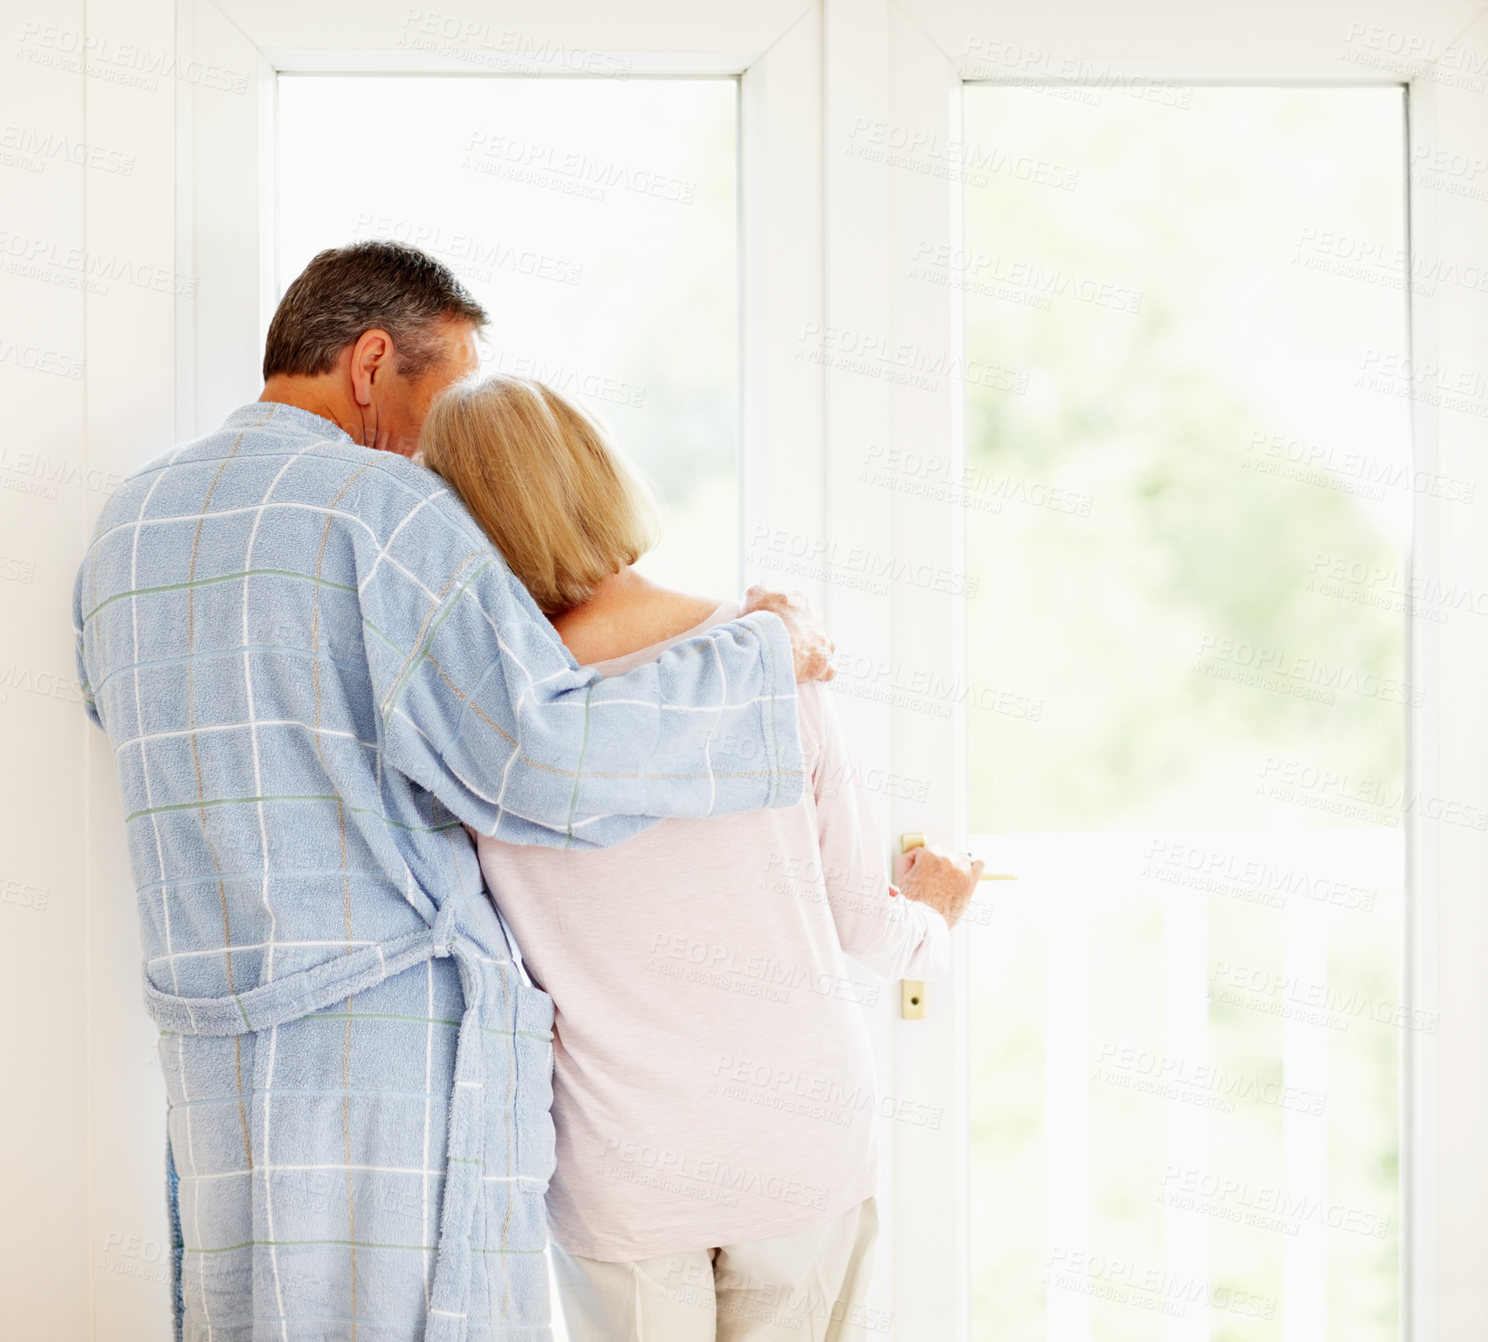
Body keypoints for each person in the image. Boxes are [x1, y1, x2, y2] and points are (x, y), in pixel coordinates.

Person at [70, 240, 840, 1342]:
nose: (445, 449)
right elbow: (543, 757)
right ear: (372, 362)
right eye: (447, 395)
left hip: (215, 1047)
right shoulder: (382, 507)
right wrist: (758, 655)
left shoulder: (128, 524)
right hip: (390, 1054)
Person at [419, 374, 983, 1341]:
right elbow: (864, 923)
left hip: (623, 1166)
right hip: (799, 1141)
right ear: (599, 477)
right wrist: (938, 914)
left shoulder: (482, 723)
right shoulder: (768, 657)